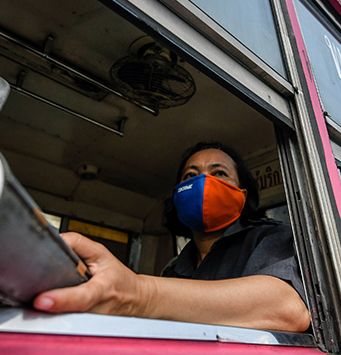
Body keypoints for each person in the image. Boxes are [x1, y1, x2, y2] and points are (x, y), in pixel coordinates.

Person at [33, 142, 311, 332]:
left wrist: (138, 294)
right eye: (191, 175)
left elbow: (287, 309)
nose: (204, 182)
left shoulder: (270, 238)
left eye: (219, 173)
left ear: (242, 193)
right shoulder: (174, 268)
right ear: (178, 196)